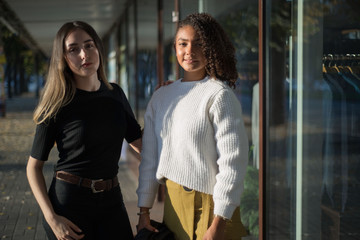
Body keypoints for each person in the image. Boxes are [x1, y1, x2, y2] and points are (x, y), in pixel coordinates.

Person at [136, 13, 249, 240]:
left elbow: (233, 163)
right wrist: (144, 210)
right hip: (173, 207)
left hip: (212, 208)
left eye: (199, 44)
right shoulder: (161, 96)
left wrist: (219, 222)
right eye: (183, 44)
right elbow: (149, 158)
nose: (190, 51)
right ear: (175, 48)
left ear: (211, 49)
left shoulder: (219, 95)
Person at [26, 21, 142, 240]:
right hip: (70, 205)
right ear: (63, 58)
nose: (84, 54)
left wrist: (168, 99)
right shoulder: (57, 103)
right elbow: (33, 168)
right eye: (73, 49)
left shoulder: (115, 94)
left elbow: (139, 142)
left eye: (89, 45)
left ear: (98, 48)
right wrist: (52, 219)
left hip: (112, 200)